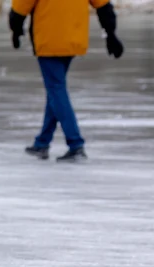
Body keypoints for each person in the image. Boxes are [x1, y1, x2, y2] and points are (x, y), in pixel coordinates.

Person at [9, 0, 124, 162]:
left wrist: (15, 28)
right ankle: (42, 142)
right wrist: (111, 33)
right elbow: (104, 6)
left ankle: (75, 144)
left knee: (56, 89)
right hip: (73, 38)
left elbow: (20, 7)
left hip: (48, 39)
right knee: (55, 90)